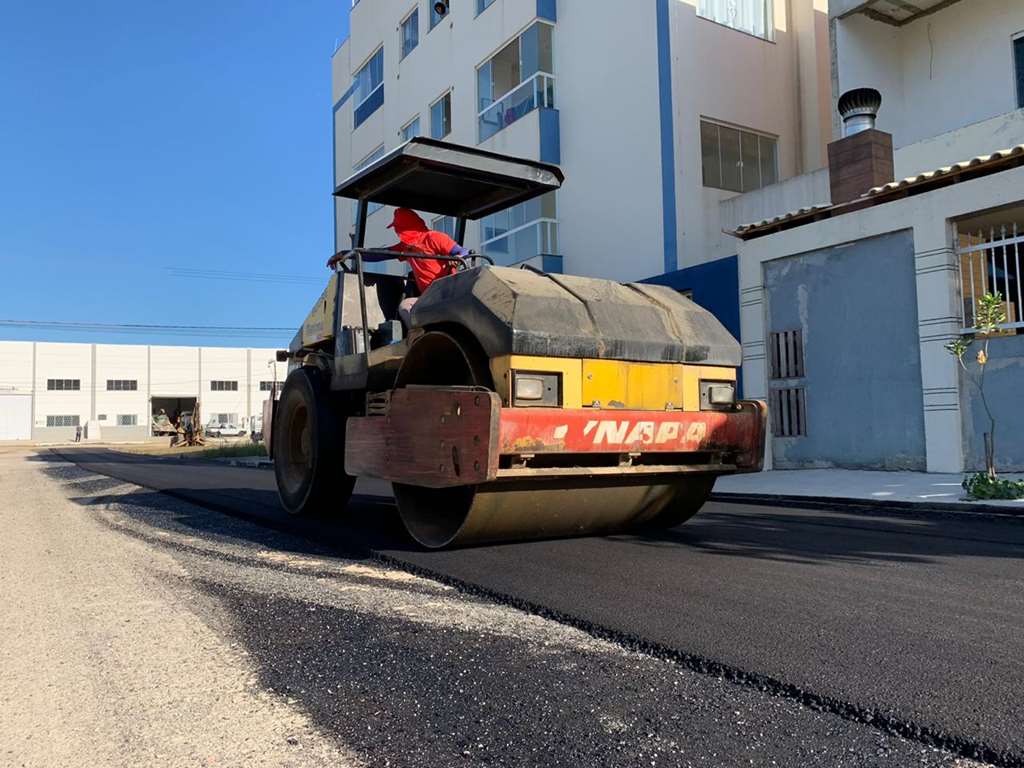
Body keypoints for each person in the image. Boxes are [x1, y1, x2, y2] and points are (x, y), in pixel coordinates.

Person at [327, 208, 470, 326]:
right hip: (428, 297)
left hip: (447, 291)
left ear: (406, 227)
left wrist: (457, 259)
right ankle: (417, 335)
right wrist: (345, 254)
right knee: (405, 307)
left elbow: (462, 252)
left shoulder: (434, 237)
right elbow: (378, 254)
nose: (397, 233)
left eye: (399, 229)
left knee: (406, 306)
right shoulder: (405, 247)